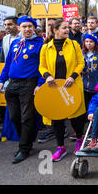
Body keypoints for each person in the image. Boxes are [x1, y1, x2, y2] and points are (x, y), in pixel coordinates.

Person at [0, 16, 45, 164]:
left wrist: (40, 83)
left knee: (26, 117)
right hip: (12, 84)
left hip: (28, 84)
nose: (27, 29)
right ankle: (27, 141)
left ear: (34, 28)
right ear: (19, 28)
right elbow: (8, 63)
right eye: (24, 27)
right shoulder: (15, 42)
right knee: (14, 117)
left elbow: (43, 66)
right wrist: (2, 80)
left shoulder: (40, 44)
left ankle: (24, 148)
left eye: (30, 26)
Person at [39, 19, 86, 162]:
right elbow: (42, 66)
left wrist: (73, 76)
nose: (68, 29)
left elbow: (81, 63)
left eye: (68, 27)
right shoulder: (46, 47)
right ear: (55, 30)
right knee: (57, 118)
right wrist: (47, 76)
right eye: (64, 28)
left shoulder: (74, 44)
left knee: (75, 117)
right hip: (54, 89)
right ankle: (61, 147)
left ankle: (79, 139)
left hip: (72, 86)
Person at [82, 33, 98, 110]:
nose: (88, 44)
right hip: (84, 85)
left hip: (96, 86)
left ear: (95, 43)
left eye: (91, 42)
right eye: (87, 41)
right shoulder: (81, 53)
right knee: (85, 104)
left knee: (94, 105)